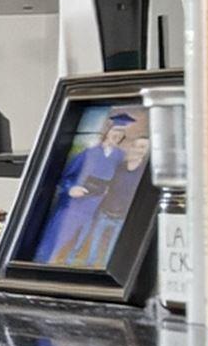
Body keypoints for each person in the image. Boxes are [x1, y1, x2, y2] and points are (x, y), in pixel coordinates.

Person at [40, 110, 144, 267]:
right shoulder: (88, 153)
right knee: (58, 237)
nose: (117, 135)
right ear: (108, 132)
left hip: (96, 206)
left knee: (81, 241)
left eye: (121, 133)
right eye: (115, 131)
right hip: (75, 204)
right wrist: (71, 189)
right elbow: (65, 176)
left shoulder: (119, 156)